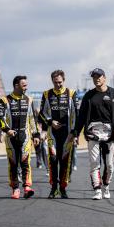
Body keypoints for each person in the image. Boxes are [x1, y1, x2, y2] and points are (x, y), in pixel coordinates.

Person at [76, 68, 114, 200]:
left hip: (109, 135)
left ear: (104, 78)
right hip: (93, 133)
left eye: (99, 76)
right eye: (94, 77)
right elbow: (81, 116)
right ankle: (97, 190)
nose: (96, 79)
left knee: (109, 165)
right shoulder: (89, 96)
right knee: (94, 163)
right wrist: (75, 133)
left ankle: (106, 185)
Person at [0, 75, 40, 199]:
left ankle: (27, 187)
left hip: (25, 136)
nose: (26, 87)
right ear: (16, 85)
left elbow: (33, 119)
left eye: (26, 85)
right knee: (13, 163)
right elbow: (0, 118)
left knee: (25, 161)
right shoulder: (5, 100)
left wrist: (36, 135)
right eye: (24, 85)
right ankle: (15, 188)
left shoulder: (29, 100)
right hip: (11, 137)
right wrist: (7, 130)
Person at [39, 70, 78, 199]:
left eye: (60, 82)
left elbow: (76, 114)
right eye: (55, 83)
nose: (58, 85)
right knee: (53, 159)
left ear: (64, 80)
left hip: (67, 134)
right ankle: (53, 187)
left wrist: (75, 133)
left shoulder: (71, 93)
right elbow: (41, 114)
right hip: (52, 134)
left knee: (65, 161)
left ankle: (62, 188)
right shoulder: (46, 94)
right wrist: (50, 122)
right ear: (52, 81)